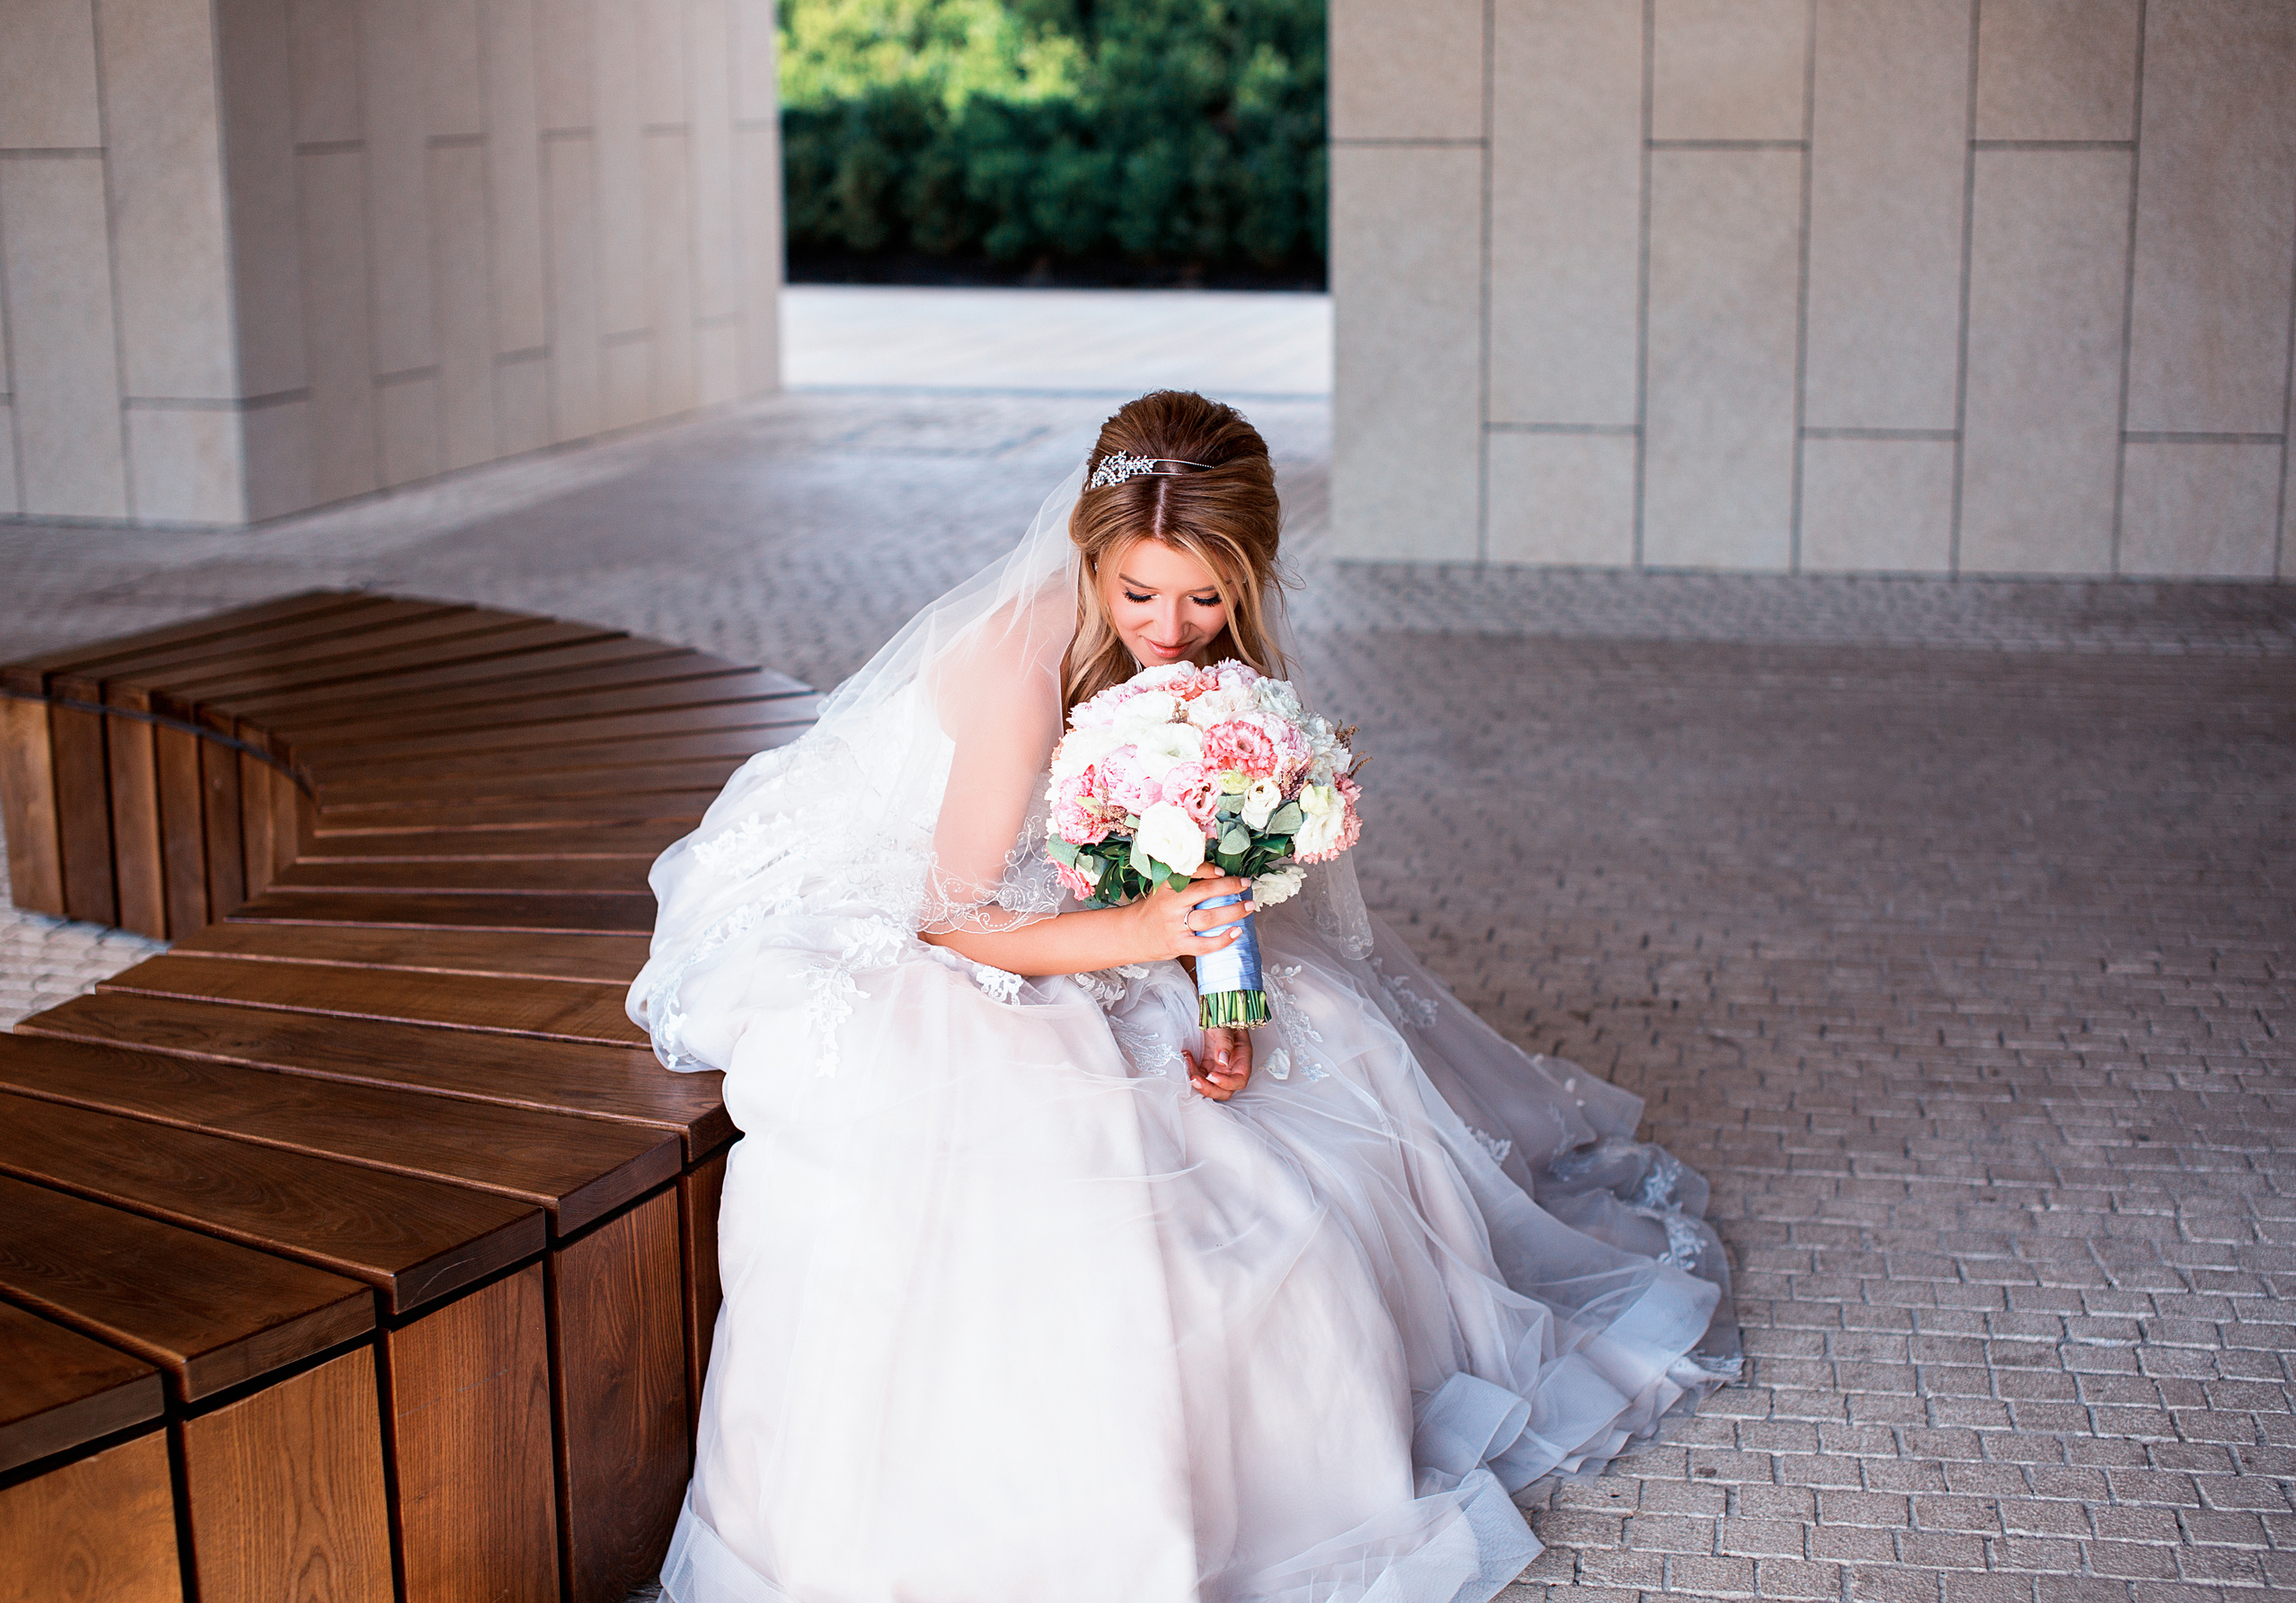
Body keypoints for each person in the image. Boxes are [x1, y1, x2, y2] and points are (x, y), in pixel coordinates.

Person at [630, 392, 1738, 1603]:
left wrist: (1226, 1003)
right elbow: (948, 911)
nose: (1170, 628)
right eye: (1139, 593)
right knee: (1048, 1180)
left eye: (1205, 599)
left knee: (1337, 1060)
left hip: (1072, 906)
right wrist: (1137, 932)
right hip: (919, 908)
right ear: (1092, 555)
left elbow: (1209, 859)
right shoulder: (1020, 658)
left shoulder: (1213, 667)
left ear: (1248, 579)